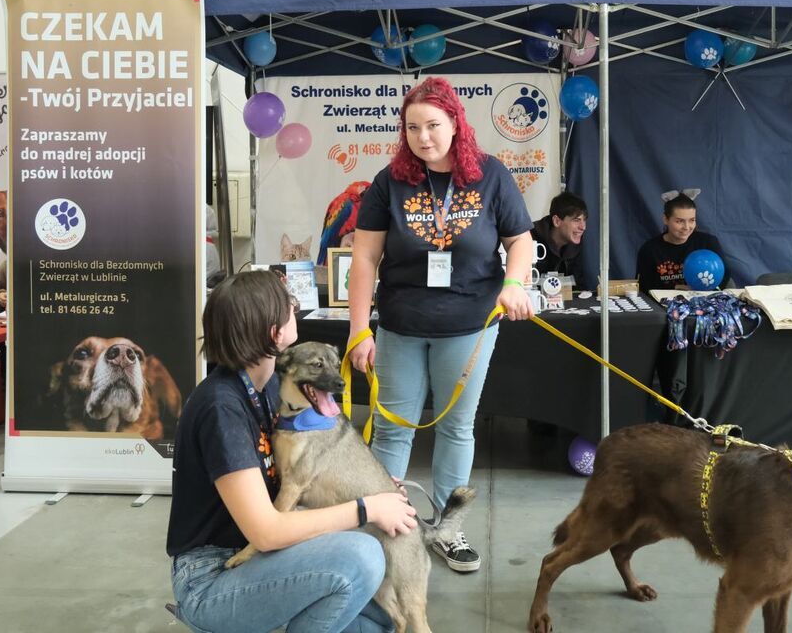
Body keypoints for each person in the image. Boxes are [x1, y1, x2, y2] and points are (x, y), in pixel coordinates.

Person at [346, 77, 535, 573]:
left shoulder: (491, 176)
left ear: (455, 124)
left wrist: (514, 284)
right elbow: (364, 257)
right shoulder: (390, 181)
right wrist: (358, 329)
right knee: (391, 432)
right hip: (401, 325)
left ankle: (447, 529)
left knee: (456, 428)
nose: (423, 137)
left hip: (471, 325)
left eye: (433, 125)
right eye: (413, 127)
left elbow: (520, 241)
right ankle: (383, 532)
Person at [167, 269, 416, 633]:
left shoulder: (272, 386)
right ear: (275, 333)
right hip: (212, 576)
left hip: (269, 557)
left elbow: (310, 472)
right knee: (362, 557)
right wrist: (368, 508)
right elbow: (266, 532)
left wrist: (373, 488)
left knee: (382, 616)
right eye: (290, 307)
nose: (295, 309)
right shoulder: (221, 408)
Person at [635, 190, 732, 295]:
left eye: (692, 220)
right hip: (663, 304)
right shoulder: (649, 250)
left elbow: (725, 275)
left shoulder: (708, 243)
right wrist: (674, 288)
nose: (686, 227)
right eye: (679, 221)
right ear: (666, 219)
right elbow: (643, 286)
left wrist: (708, 293)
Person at [530, 191, 593, 293]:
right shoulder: (528, 239)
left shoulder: (575, 241)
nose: (583, 227)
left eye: (584, 220)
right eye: (576, 220)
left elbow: (578, 288)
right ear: (557, 221)